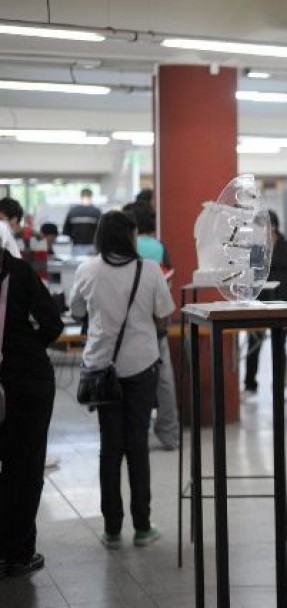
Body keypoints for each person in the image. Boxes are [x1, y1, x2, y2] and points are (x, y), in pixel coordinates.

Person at [69, 211, 175, 548]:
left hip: (103, 369)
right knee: (137, 445)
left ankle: (112, 529)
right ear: (129, 236)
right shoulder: (150, 270)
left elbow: (76, 312)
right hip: (142, 366)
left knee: (109, 449)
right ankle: (142, 527)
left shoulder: (87, 269)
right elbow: (164, 315)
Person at [0, 243, 64, 577]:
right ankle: (19, 553)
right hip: (26, 379)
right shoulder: (21, 273)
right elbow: (53, 323)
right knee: (24, 466)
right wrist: (24, 346)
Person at [122, 199, 179, 450]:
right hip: (156, 322)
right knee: (164, 379)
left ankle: (135, 433)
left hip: (128, 325)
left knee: (131, 380)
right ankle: (169, 434)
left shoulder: (126, 247)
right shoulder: (159, 248)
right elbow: (167, 286)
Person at [244, 210, 287, 398]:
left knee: (279, 346)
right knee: (253, 344)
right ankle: (249, 385)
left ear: (272, 227)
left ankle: (279, 389)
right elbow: (247, 274)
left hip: (283, 302)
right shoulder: (255, 248)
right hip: (259, 303)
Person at [63, 187, 101, 256]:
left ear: (81, 196)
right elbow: (101, 231)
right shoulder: (96, 212)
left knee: (77, 265)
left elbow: (66, 230)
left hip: (77, 245)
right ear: (91, 196)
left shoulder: (73, 211)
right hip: (91, 246)